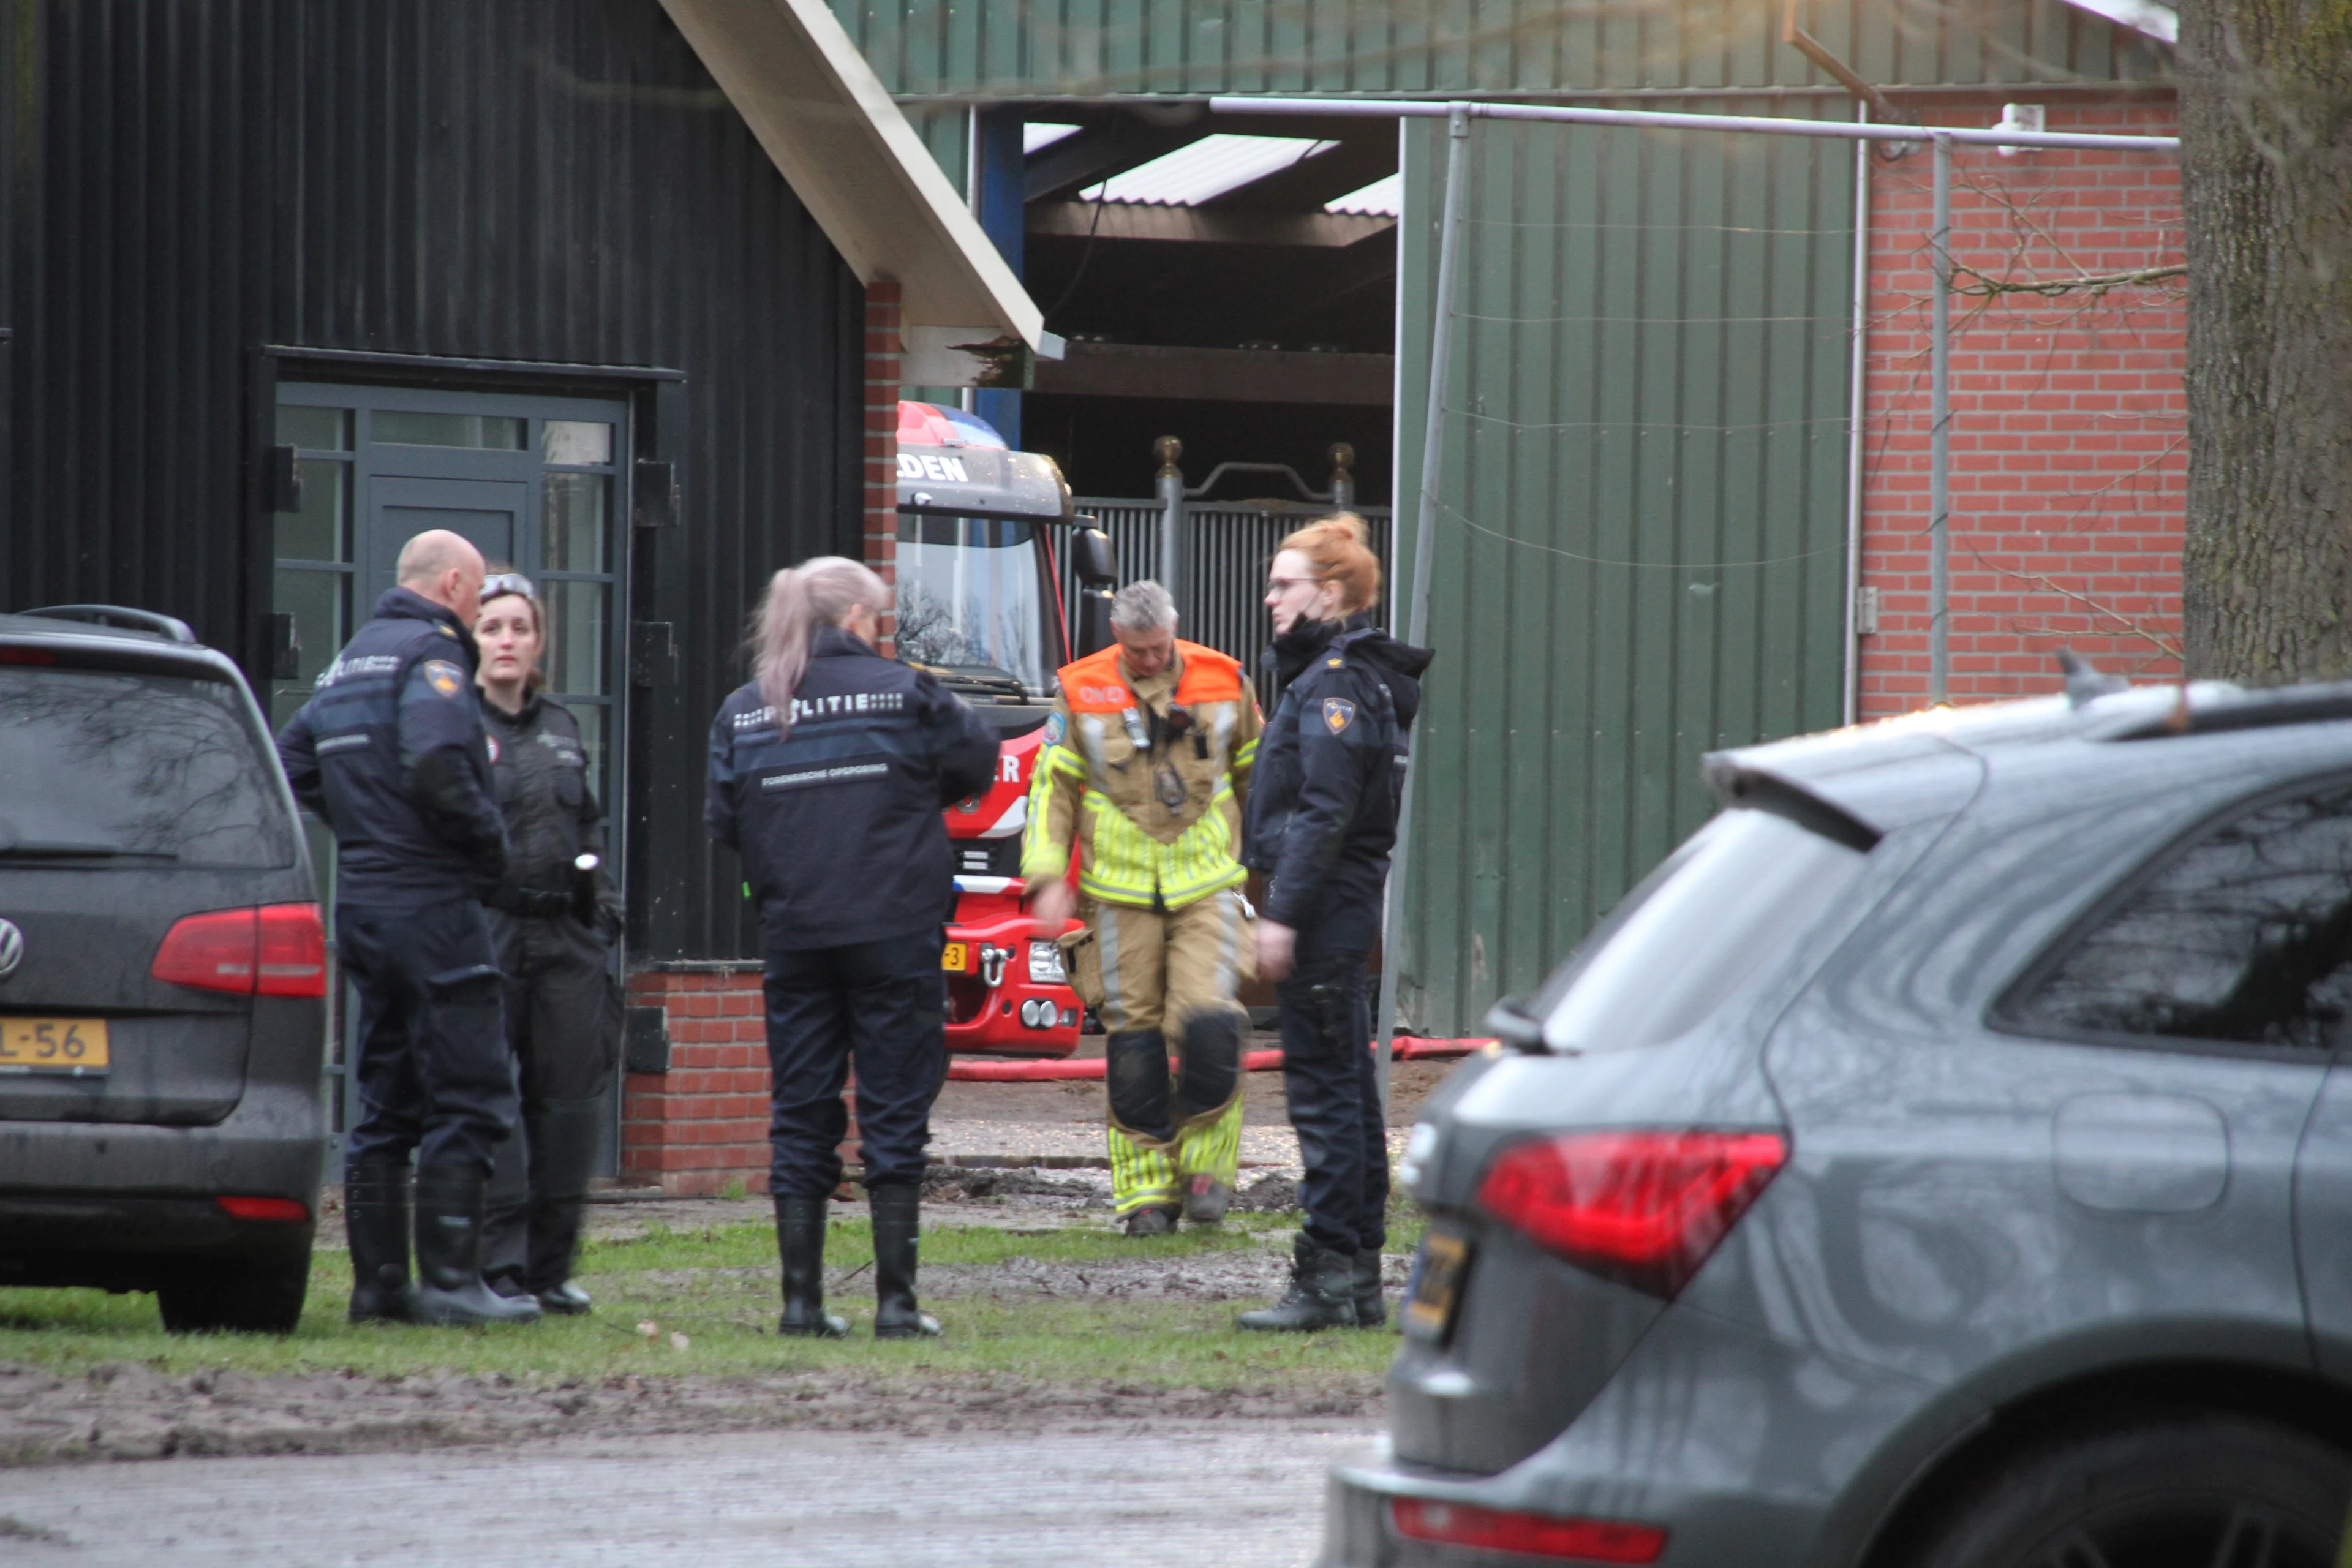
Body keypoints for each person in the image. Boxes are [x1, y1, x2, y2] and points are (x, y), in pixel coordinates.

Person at [706, 557, 1000, 1338]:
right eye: (882, 618)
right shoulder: (907, 692)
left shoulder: (744, 708)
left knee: (800, 1116)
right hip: (895, 932)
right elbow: (980, 762)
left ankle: (801, 1305)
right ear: (862, 619)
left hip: (797, 938)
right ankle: (896, 1304)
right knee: (894, 1113)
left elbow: (725, 820)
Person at [277, 530, 540, 1327]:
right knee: (474, 1093)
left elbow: (290, 764)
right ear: (456, 583)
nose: (481, 606)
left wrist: (363, 829)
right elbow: (435, 760)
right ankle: (455, 1286)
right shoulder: (432, 656)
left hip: (365, 906)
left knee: (384, 1102)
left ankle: (380, 1288)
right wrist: (488, 846)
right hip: (432, 906)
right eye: (480, 590)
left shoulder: (352, 657)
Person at [1237, 515, 1431, 1332]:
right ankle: (1354, 1276)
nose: (1271, 598)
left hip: (1323, 909)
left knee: (1325, 1096)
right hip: (1340, 907)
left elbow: (1324, 812)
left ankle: (1326, 1278)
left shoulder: (1336, 683)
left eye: (1286, 585)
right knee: (1349, 1091)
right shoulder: (1341, 677)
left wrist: (1281, 916)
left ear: (1335, 591)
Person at [1023, 581, 1263, 1236]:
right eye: (1137, 651)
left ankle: (1207, 1168)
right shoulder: (1079, 688)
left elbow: (1260, 775)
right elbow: (1053, 788)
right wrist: (1047, 874)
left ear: (1175, 631)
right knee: (1134, 1047)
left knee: (1212, 1026)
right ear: (1116, 635)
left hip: (1207, 886)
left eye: (1159, 649)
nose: (1150, 661)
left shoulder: (1223, 678)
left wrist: (1278, 872)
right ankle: (1146, 1195)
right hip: (1116, 896)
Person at [472, 573, 624, 1316]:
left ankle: (551, 1267)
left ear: (537, 643)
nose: (506, 640)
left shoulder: (562, 727)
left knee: (568, 1104)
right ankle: (497, 1266)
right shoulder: (458, 726)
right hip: (490, 928)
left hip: (566, 933)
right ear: (473, 640)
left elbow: (588, 819)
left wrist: (605, 906)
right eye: (492, 627)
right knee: (490, 1103)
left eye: (518, 628)